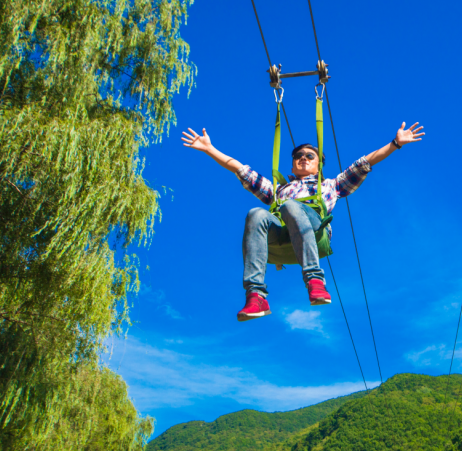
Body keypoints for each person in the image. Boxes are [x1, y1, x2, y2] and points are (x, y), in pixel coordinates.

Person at [182, 122, 425, 321]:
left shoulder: (330, 185)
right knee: (256, 213)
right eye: (298, 156)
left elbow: (364, 164)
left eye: (310, 156)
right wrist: (210, 149)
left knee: (290, 206)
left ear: (319, 164)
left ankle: (315, 280)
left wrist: (395, 144)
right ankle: (256, 296)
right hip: (283, 238)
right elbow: (241, 170)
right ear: (292, 164)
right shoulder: (279, 190)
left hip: (314, 232)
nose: (303, 159)